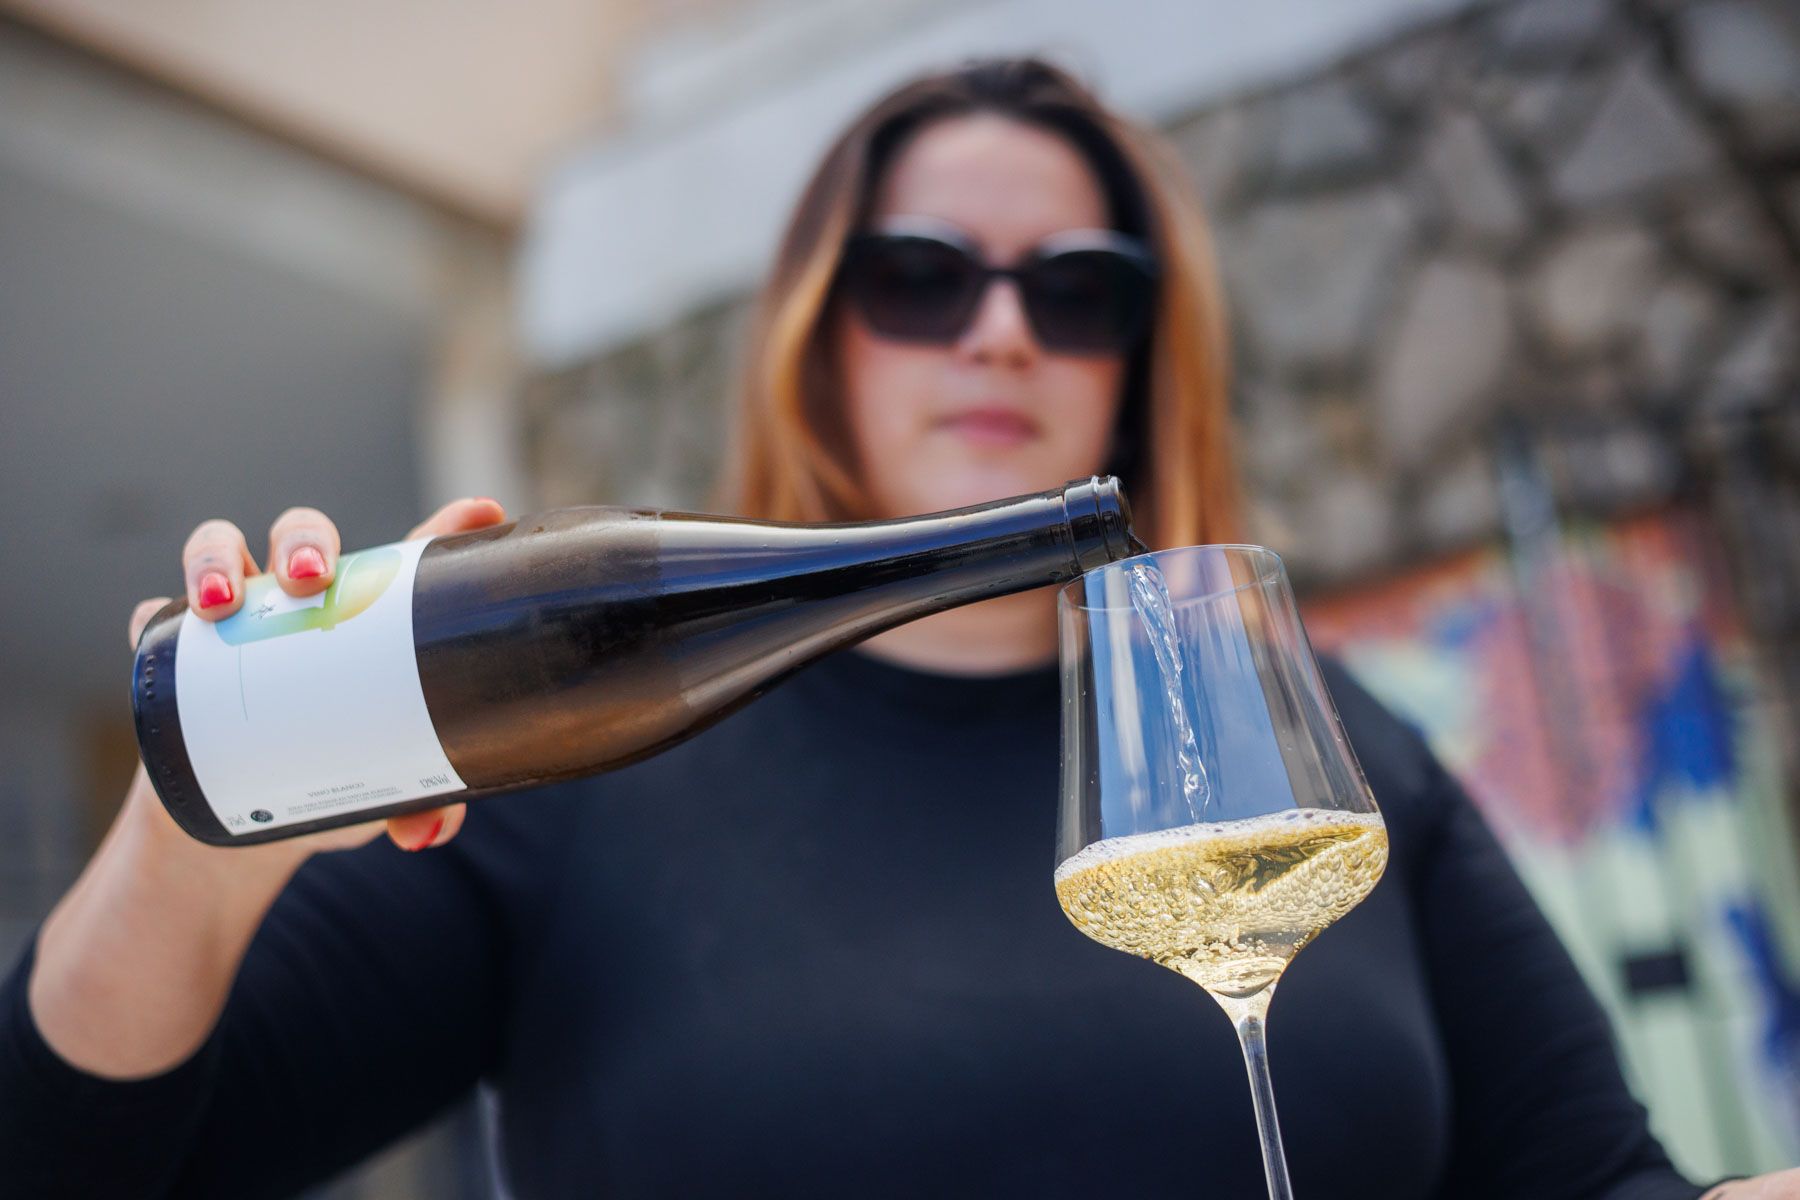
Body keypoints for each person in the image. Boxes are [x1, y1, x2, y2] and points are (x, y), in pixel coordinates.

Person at [2, 57, 1792, 1199]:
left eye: (1078, 290)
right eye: (921, 276)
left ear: (1141, 359)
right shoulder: (575, 768)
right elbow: (75, 1156)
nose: (999, 331)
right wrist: (194, 842)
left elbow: (1596, 1183)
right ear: (821, 338)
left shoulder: (1320, 748)